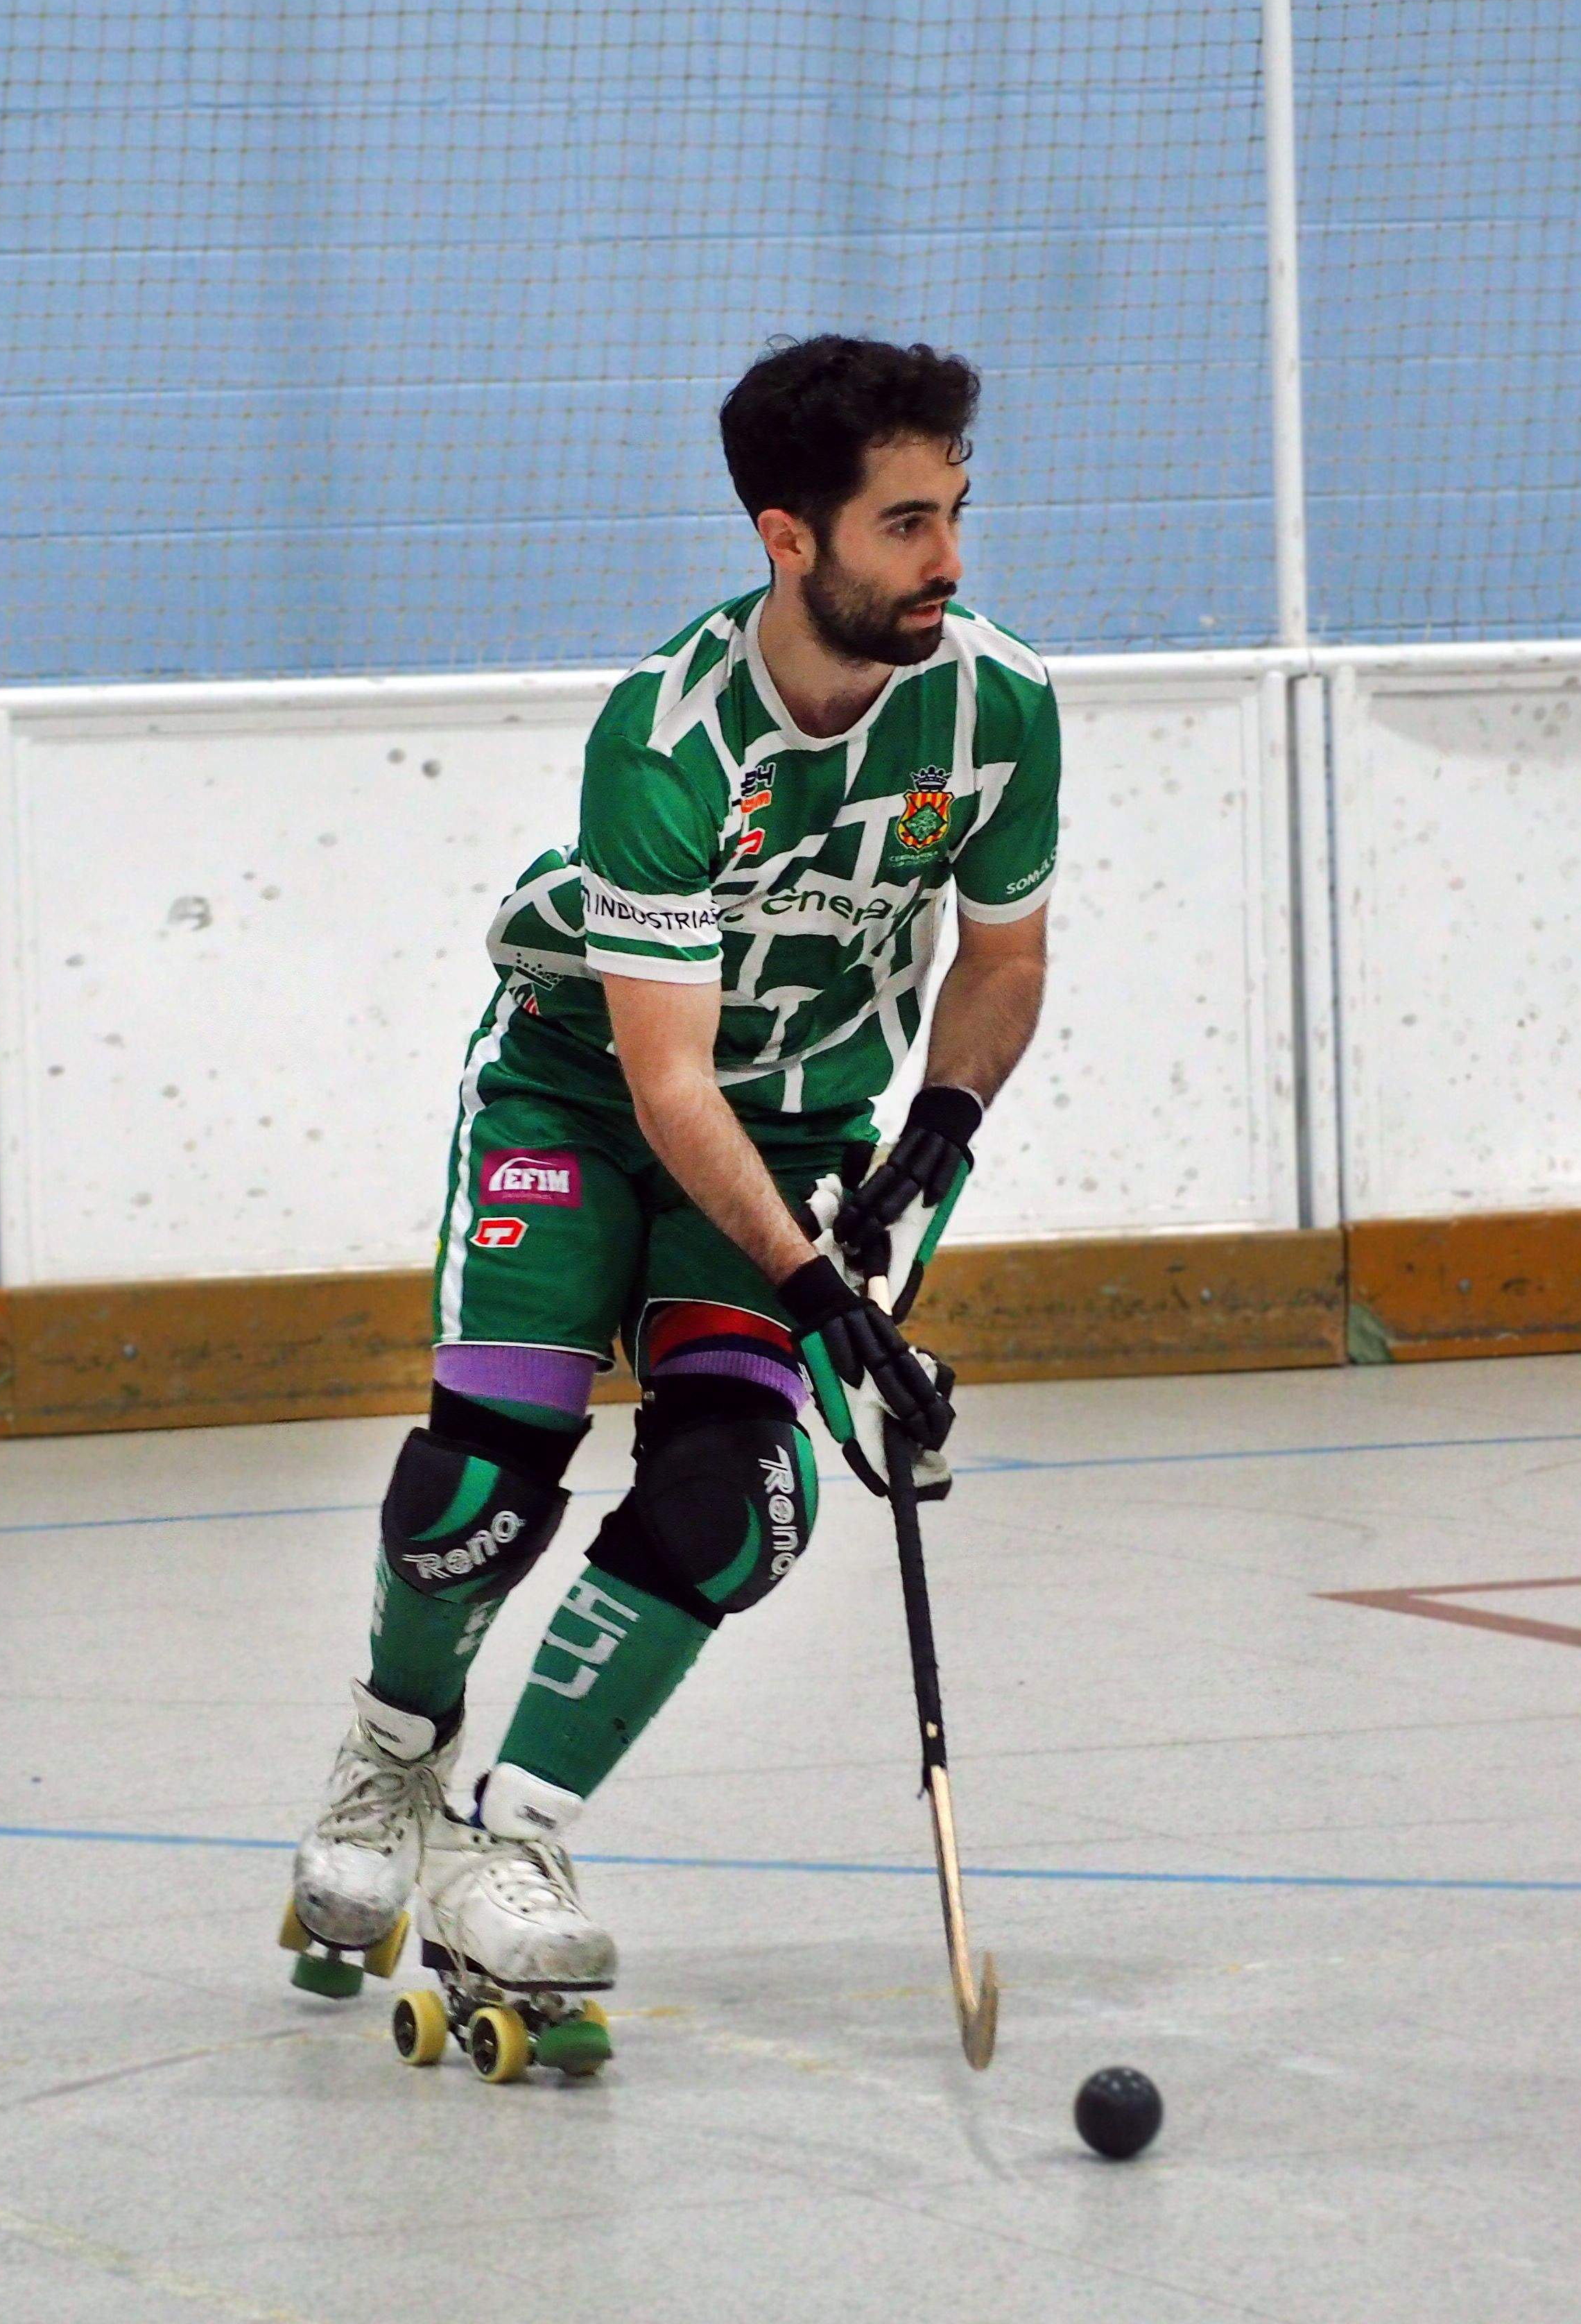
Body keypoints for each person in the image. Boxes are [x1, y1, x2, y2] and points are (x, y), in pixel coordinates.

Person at [288, 333, 1059, 2013]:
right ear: (791, 538)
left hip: (799, 1132)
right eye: (906, 524)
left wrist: (938, 1137)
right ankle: (391, 1753)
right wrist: (817, 1300)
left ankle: (514, 1844)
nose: (950, 559)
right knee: (474, 1500)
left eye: (956, 513)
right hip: (583, 1099)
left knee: (735, 1502)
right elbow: (666, 1077)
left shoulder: (1002, 704)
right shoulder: (670, 734)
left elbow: (1000, 961)